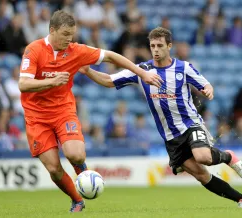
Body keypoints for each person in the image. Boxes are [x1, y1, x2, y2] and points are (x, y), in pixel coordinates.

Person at [80, 27, 242, 208]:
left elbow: (205, 84)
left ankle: (228, 157)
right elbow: (109, 80)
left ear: (169, 46)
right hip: (171, 136)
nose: (155, 49)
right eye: (152, 45)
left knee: (202, 156)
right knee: (201, 175)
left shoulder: (183, 68)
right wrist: (89, 72)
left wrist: (208, 89)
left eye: (159, 45)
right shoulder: (142, 71)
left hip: (190, 124)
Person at [18, 10, 162, 213]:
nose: (69, 39)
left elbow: (111, 56)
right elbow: (23, 84)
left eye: (72, 34)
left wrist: (141, 73)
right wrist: (52, 81)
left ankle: (84, 175)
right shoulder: (33, 50)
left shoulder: (76, 50)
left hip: (63, 111)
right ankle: (77, 200)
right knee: (53, 168)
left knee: (76, 155)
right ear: (52, 30)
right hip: (36, 117)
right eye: (65, 34)